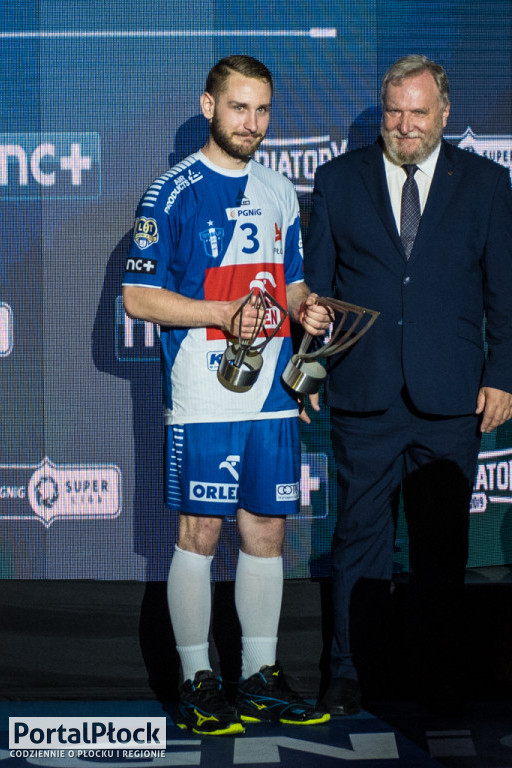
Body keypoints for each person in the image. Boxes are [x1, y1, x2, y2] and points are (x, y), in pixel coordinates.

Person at [122, 55, 331, 735]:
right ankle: (195, 679)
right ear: (208, 106)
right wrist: (219, 313)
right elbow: (138, 297)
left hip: (271, 390)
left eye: (263, 109)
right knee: (201, 532)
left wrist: (308, 308)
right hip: (205, 391)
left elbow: (290, 281)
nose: (253, 123)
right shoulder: (171, 192)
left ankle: (260, 677)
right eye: (239, 107)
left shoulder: (278, 189)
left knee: (267, 531)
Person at [304, 54, 512, 715]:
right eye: (394, 111)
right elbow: (316, 294)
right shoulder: (337, 180)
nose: (405, 124)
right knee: (358, 540)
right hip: (364, 394)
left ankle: (437, 676)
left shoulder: (486, 183)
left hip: (450, 397)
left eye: (418, 112)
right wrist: (310, 366)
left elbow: (504, 293)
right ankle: (349, 673)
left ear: (444, 113)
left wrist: (503, 376)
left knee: (440, 547)